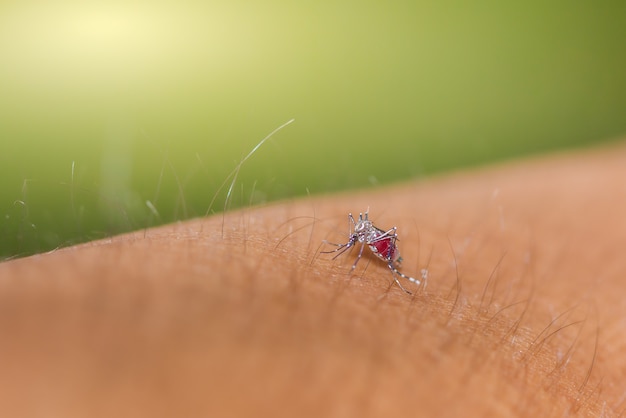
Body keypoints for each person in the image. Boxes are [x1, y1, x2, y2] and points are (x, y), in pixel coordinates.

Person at [0, 142, 625, 417]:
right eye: (358, 232)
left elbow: (365, 241)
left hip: (389, 253)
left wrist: (373, 259)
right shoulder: (365, 234)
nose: (358, 234)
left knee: (374, 252)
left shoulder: (368, 238)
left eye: (359, 232)